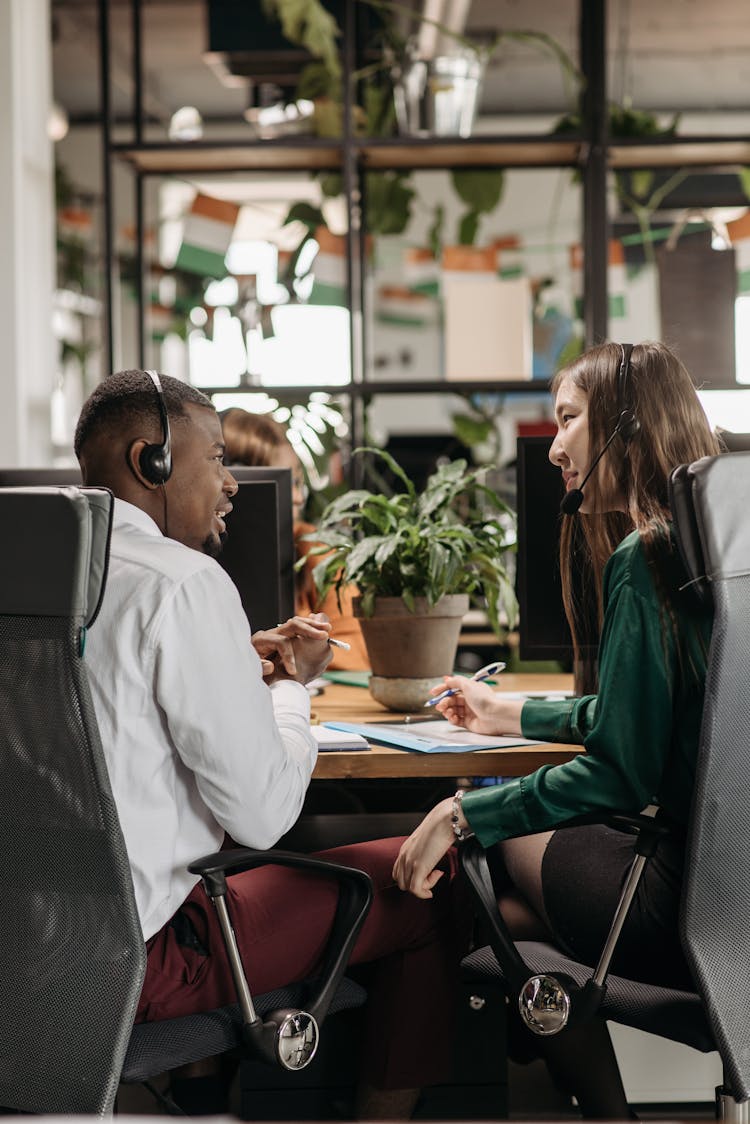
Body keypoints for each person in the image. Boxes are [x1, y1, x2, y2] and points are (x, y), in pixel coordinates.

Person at [74, 370, 468, 1117]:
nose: (230, 484)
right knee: (431, 883)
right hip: (141, 959)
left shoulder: (42, 576)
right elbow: (264, 815)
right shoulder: (182, 583)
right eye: (215, 459)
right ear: (148, 461)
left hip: (33, 950)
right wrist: (293, 685)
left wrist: (228, 661)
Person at [393, 341, 721, 1115]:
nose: (554, 449)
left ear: (625, 425)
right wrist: (511, 711)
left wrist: (460, 811)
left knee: (490, 848)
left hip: (684, 902)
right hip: (735, 894)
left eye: (569, 419)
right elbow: (652, 717)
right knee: (502, 918)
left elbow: (619, 772)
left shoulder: (648, 556)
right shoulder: (720, 541)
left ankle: (591, 1104)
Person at [220, 407, 369, 670]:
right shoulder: (192, 556)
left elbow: (358, 650)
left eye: (298, 482)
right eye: (284, 484)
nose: (299, 498)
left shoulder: (314, 549)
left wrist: (290, 651)